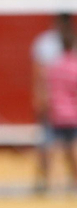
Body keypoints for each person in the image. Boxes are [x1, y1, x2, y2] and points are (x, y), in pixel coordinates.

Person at [31, 12, 74, 192]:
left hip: (55, 112)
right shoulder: (74, 66)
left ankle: (43, 182)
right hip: (73, 114)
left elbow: (42, 82)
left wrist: (41, 101)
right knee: (72, 149)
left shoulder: (54, 67)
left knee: (48, 147)